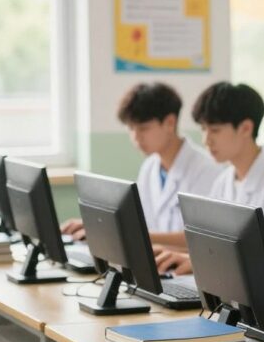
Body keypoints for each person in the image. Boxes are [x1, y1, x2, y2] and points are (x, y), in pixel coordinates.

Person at [153, 81, 264, 274]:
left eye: (215, 130)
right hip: (219, 286)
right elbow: (207, 242)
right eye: (203, 129)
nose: (206, 140)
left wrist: (195, 261)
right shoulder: (224, 181)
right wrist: (171, 253)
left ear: (246, 128)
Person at [61, 82, 222, 242]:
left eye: (143, 128)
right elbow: (138, 222)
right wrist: (95, 226)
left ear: (170, 123)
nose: (136, 137)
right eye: (131, 128)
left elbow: (204, 239)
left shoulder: (206, 170)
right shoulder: (150, 167)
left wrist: (131, 234)